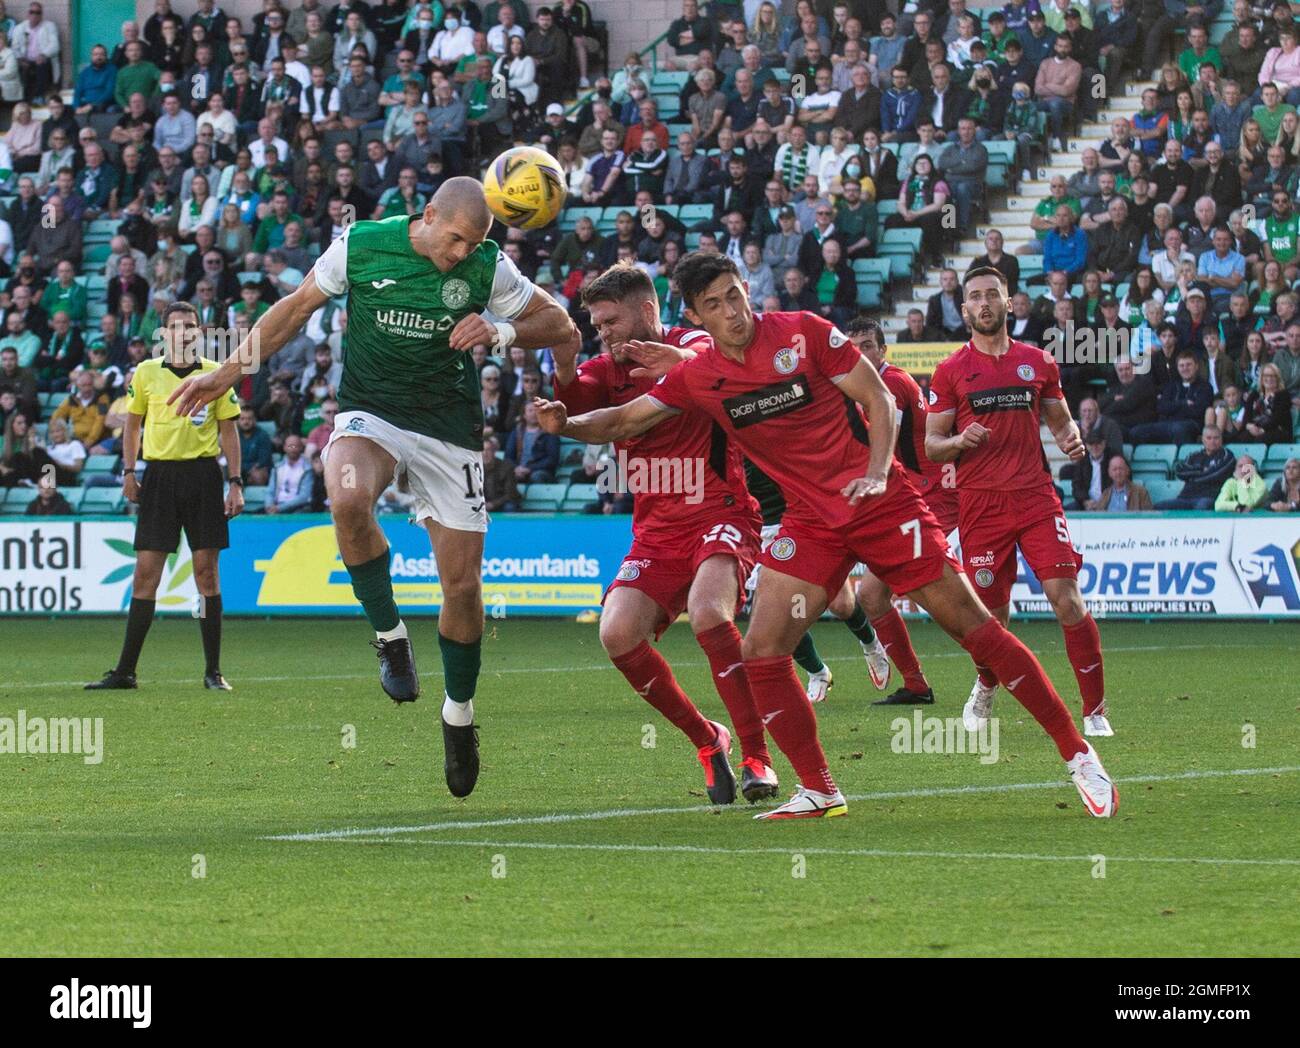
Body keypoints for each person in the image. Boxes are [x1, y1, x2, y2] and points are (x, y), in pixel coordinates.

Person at [535, 254, 1118, 820]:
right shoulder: (701, 375)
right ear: (697, 314)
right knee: (762, 651)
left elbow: (881, 398)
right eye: (714, 305)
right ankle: (819, 789)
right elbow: (626, 420)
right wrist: (568, 423)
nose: (732, 312)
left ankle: (1078, 753)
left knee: (976, 630)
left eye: (735, 295)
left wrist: (879, 468)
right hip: (811, 523)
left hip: (881, 504)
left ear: (746, 290)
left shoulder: (803, 332)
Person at [169, 178, 576, 800]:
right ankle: (389, 636)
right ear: (429, 215)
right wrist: (226, 373)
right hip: (373, 413)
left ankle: (459, 716)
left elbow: (559, 322)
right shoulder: (361, 244)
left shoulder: (487, 266)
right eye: (457, 239)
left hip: (449, 428)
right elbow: (296, 308)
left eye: (476, 245)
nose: (463, 253)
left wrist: (500, 333)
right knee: (348, 497)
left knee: (463, 586)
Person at [551, 263, 779, 804]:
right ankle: (708, 739)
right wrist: (561, 376)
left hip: (719, 510)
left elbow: (725, 357)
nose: (602, 332)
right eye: (596, 324)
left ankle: (757, 758)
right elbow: (576, 400)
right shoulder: (607, 369)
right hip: (655, 531)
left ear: (648, 311)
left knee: (707, 613)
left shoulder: (692, 338)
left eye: (609, 320)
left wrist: (679, 361)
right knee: (616, 634)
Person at [927, 267, 1114, 740]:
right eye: (975, 297)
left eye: (993, 294)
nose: (985, 303)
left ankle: (1094, 710)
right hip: (981, 505)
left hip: (1035, 498)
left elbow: (1061, 422)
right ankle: (986, 683)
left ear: (1009, 303)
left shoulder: (1038, 362)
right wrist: (959, 440)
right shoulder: (951, 370)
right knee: (991, 617)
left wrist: (1071, 440)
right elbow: (931, 444)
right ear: (965, 309)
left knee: (1066, 599)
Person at [85, 302, 242, 692]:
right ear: (165, 333)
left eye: (190, 325)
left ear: (200, 330)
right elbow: (131, 426)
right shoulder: (146, 373)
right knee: (145, 575)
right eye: (176, 326)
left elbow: (229, 431)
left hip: (204, 477)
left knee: (207, 574)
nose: (184, 332)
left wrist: (235, 482)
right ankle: (125, 672)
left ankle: (213, 671)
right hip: (159, 477)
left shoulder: (215, 375)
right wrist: (128, 472)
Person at [848, 317, 952, 706]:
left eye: (869, 345)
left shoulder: (889, 384)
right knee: (873, 596)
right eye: (854, 346)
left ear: (883, 350)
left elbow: (880, 445)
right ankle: (916, 685)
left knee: (934, 593)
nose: (861, 353)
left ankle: (992, 658)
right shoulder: (866, 384)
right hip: (909, 496)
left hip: (929, 497)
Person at [1157, 425, 1237, 509]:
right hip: (1186, 496)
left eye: (1216, 438)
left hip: (1209, 497)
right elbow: (1179, 471)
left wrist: (1192, 477)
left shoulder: (1227, 455)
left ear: (1221, 439)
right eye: (1209, 438)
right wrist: (1202, 469)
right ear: (1203, 439)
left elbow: (1216, 475)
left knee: (1202, 505)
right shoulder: (1193, 455)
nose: (1212, 441)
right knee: (1159, 507)